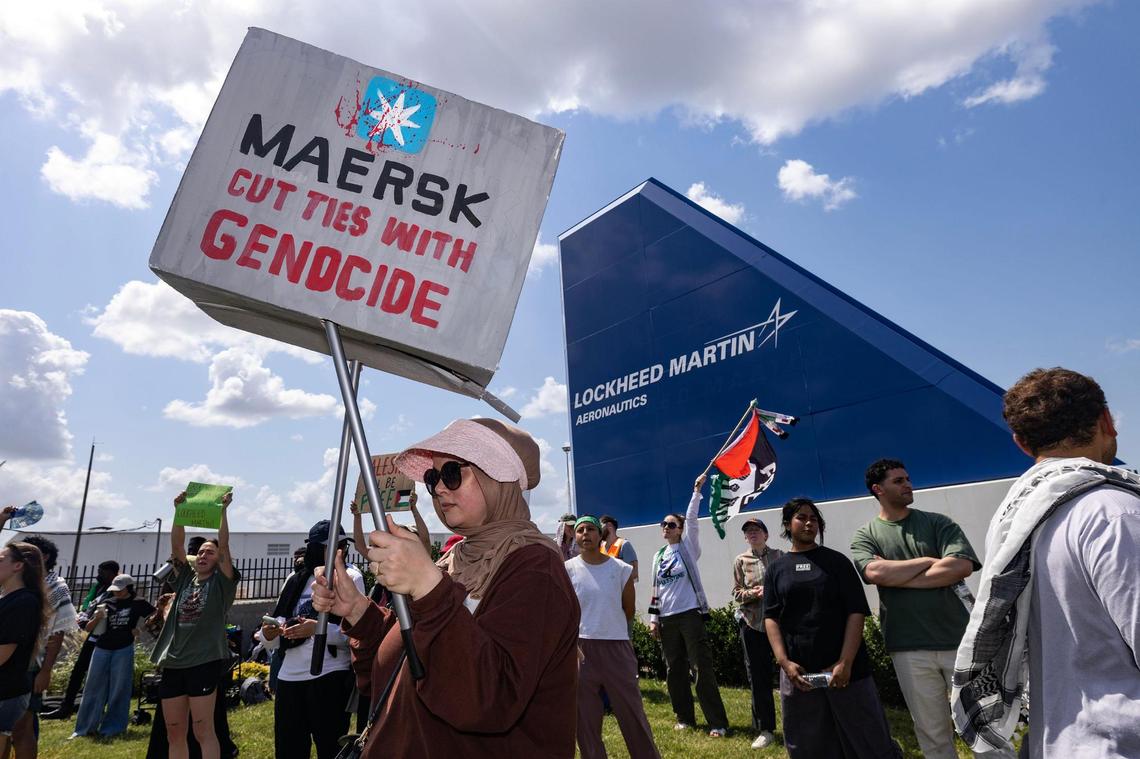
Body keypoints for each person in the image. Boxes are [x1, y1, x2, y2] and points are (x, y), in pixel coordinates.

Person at [310, 417, 581, 757]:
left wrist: (429, 588)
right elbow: (401, 670)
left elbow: (488, 700)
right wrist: (358, 612)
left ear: (498, 478)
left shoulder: (535, 567)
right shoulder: (451, 560)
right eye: (432, 478)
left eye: (452, 473)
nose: (439, 488)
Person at [952, 368, 1140, 759]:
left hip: (1058, 742)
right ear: (1107, 420)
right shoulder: (1115, 513)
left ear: (1021, 443)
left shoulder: (1018, 522)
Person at [850, 459, 997, 759]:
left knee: (983, 724)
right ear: (878, 489)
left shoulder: (938, 523)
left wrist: (899, 578)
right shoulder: (866, 535)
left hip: (960, 640)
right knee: (931, 731)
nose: (908, 484)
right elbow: (875, 574)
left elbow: (961, 566)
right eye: (899, 481)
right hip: (908, 647)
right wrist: (930, 561)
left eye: (908, 479)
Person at [763, 498, 901, 758]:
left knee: (869, 742)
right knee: (809, 745)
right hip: (799, 675)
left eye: (814, 519)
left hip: (848, 673)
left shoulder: (837, 562)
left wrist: (845, 662)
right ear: (787, 524)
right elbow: (771, 617)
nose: (808, 523)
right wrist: (784, 662)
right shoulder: (776, 570)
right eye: (801, 517)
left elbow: (856, 611)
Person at [260, 519, 365, 759]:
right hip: (289, 675)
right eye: (332, 546)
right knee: (289, 749)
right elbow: (276, 626)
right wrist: (270, 634)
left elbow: (355, 634)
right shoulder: (294, 580)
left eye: (342, 545)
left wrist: (317, 630)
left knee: (330, 747)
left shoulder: (350, 576)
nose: (340, 551)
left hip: (329, 674)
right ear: (316, 548)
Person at [151, 490, 240, 759]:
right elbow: (177, 546)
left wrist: (223, 512)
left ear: (217, 560)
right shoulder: (185, 579)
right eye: (200, 552)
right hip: (175, 662)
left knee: (203, 730)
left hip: (204, 661)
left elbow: (224, 546)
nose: (203, 556)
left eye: (209, 553)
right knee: (175, 732)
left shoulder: (223, 583)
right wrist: (178, 511)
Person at [566, 515, 660, 759]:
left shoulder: (620, 569)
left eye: (590, 529)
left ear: (600, 535)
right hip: (580, 650)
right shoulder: (567, 569)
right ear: (575, 537)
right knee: (585, 719)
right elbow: (565, 610)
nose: (585, 534)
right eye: (580, 530)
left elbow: (627, 609)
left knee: (632, 712)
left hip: (616, 647)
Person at [647, 474, 729, 737]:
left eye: (671, 525)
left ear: (680, 529)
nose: (666, 528)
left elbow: (693, 520)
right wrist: (653, 618)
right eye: (664, 525)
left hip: (690, 615)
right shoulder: (658, 556)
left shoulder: (688, 548)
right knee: (674, 670)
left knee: (701, 668)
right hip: (667, 619)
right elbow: (655, 589)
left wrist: (696, 492)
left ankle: (717, 722)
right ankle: (684, 717)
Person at [12, 534, 75, 758]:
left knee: (22, 728)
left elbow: (57, 633)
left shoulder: (55, 586)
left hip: (30, 665)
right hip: (6, 662)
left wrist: (46, 670)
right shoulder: (12, 579)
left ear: (43, 557)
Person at [71, 573, 155, 738]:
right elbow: (88, 628)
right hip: (101, 647)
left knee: (119, 689)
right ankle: (84, 728)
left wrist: (140, 630)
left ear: (129, 588)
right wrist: (96, 618)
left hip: (124, 648)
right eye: (115, 589)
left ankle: (113, 728)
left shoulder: (138, 603)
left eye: (120, 589)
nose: (116, 592)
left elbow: (155, 616)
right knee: (92, 689)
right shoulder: (106, 603)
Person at [44, 560, 120, 720]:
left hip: (107, 639)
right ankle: (66, 706)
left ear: (113, 573)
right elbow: (88, 606)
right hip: (93, 635)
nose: (99, 575)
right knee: (78, 671)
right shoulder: (99, 588)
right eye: (99, 571)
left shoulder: (116, 590)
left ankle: (99, 708)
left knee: (103, 675)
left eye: (103, 573)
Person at [731, 516, 782, 749]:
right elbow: (737, 593)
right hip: (753, 625)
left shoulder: (780, 556)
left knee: (791, 672)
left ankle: (799, 722)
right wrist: (754, 593)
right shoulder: (740, 561)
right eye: (748, 531)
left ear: (766, 535)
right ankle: (765, 729)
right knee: (758, 677)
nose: (752, 533)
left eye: (756, 529)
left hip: (780, 625)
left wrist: (771, 590)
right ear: (745, 537)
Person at [0, 542, 48, 758]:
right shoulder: (8, 599)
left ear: (18, 566)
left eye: (1, 560)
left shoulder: (24, 602)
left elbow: (3, 654)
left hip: (6, 690)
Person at [599, 515, 638, 582]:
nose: (598, 531)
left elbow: (634, 574)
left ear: (609, 526)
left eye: (600, 527)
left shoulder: (624, 544)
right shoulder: (600, 548)